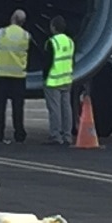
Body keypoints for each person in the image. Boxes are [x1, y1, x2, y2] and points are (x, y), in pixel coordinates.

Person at [0, 9, 31, 144]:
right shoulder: (26, 36)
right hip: (19, 77)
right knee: (18, 108)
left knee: (0, 107)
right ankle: (19, 134)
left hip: (1, 75)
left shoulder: (1, 33)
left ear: (12, 18)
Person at [42, 15, 75, 146]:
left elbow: (47, 63)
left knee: (55, 109)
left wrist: (44, 78)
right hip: (67, 79)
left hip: (53, 80)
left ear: (53, 27)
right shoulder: (70, 42)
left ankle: (56, 135)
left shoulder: (51, 42)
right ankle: (67, 136)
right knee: (66, 108)